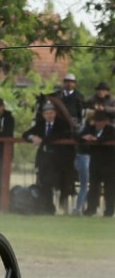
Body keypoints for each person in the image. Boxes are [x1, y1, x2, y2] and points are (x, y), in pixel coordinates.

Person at [22, 100, 74, 215]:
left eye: (51, 113)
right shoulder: (40, 124)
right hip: (44, 159)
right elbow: (25, 134)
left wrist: (42, 140)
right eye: (47, 113)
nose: (49, 115)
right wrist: (32, 137)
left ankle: (57, 207)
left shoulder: (61, 124)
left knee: (55, 183)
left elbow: (57, 136)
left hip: (58, 159)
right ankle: (49, 208)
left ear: (54, 113)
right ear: (43, 115)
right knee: (44, 183)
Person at [51, 72, 88, 213]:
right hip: (59, 132)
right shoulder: (57, 95)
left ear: (75, 83)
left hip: (74, 131)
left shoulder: (78, 97)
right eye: (66, 81)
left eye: (71, 81)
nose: (68, 83)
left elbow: (81, 115)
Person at [79, 108, 115, 217]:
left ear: (105, 121)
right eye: (97, 121)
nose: (99, 124)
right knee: (93, 186)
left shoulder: (111, 129)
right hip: (95, 162)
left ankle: (109, 211)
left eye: (101, 121)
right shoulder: (90, 128)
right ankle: (91, 209)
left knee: (110, 188)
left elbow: (108, 138)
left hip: (110, 162)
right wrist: (84, 137)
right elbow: (77, 136)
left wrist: (96, 139)